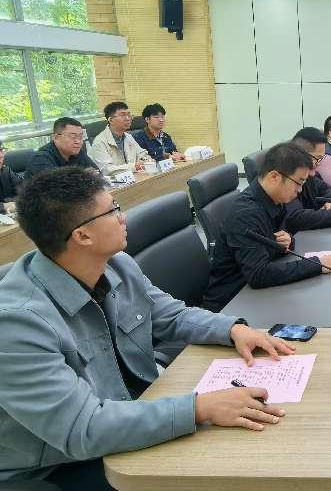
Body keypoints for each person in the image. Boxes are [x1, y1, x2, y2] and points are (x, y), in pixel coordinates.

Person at [0, 167, 294, 488]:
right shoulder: (16, 323)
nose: (123, 217)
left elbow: (170, 315)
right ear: (82, 236)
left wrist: (232, 330)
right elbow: (83, 429)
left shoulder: (117, 264)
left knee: (254, 449)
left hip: (134, 410)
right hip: (58, 466)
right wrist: (199, 408)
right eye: (113, 211)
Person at [203, 142, 331, 312]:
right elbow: (258, 275)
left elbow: (279, 237)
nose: (300, 190)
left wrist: (288, 240)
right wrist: (318, 264)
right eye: (298, 183)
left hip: (255, 292)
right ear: (274, 176)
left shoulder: (274, 199)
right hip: (231, 303)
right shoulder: (246, 213)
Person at [90, 101, 152, 176]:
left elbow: (142, 154)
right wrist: (135, 166)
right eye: (123, 115)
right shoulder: (99, 142)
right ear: (111, 120)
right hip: (114, 181)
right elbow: (107, 170)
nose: (128, 118)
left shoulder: (128, 137)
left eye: (129, 115)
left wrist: (146, 161)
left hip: (135, 177)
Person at [25, 117, 100, 179]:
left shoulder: (76, 151)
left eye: (80, 137)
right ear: (55, 137)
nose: (78, 141)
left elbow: (97, 173)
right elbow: (58, 188)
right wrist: (84, 176)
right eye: (73, 137)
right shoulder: (40, 159)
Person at [0, 139, 23, 215]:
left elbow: (25, 190)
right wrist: (4, 206)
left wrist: (11, 202)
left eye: (1, 150)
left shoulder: (6, 171)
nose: (1, 155)